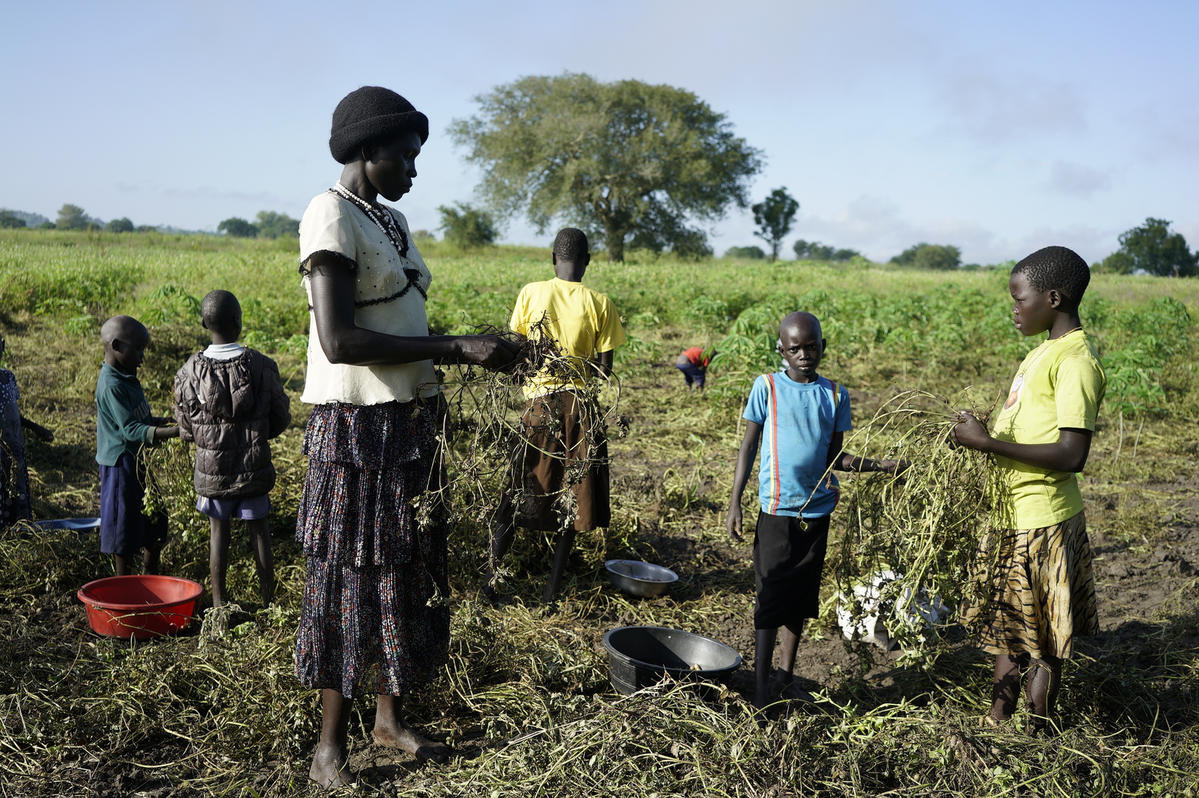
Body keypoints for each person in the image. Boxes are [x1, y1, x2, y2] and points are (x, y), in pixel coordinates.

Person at [295, 86, 520, 788]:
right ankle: (328, 749)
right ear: (368, 151)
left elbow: (402, 328)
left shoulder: (389, 221)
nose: (415, 171)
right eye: (407, 156)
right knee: (351, 581)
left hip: (407, 423)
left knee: (404, 574)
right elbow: (339, 341)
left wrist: (464, 366)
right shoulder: (328, 214)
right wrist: (457, 348)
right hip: (356, 433)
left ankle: (388, 721)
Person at [952, 246, 1105, 734]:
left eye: (1019, 299)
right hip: (1012, 513)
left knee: (1043, 637)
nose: (1013, 309)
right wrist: (978, 441)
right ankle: (999, 719)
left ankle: (1039, 730)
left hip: (1044, 521)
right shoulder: (1043, 351)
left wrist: (989, 442)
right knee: (1008, 627)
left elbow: (1070, 455)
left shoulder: (1076, 361)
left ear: (1053, 298)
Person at [726, 311, 900, 709]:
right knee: (770, 597)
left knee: (801, 598)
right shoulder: (767, 387)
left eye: (811, 347)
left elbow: (836, 457)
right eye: (794, 348)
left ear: (823, 347)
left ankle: (785, 677)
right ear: (781, 350)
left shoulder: (835, 394)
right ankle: (759, 687)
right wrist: (734, 501)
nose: (803, 355)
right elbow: (748, 447)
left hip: (817, 512)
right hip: (777, 510)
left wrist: (880, 466)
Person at [486, 227, 626, 603]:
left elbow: (516, 349)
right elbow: (604, 368)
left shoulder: (532, 292)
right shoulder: (600, 302)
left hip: (539, 407)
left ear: (553, 259)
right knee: (572, 495)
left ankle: (492, 581)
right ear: (588, 261)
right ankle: (551, 591)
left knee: (517, 487)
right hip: (580, 410)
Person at [173, 290, 290, 609]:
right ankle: (270, 604)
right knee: (260, 532)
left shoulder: (188, 372)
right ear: (239, 322)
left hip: (213, 473)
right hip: (254, 466)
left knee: (218, 534)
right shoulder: (263, 366)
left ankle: (219, 603)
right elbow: (280, 418)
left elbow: (186, 429)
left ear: (203, 323)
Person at [95, 316, 179, 576]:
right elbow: (130, 430)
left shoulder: (127, 377)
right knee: (125, 529)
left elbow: (138, 420)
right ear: (117, 346)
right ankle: (125, 586)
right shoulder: (112, 385)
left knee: (155, 521)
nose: (142, 357)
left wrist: (161, 422)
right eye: (138, 349)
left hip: (138, 459)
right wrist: (175, 432)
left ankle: (150, 576)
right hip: (121, 464)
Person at [0, 331, 54, 526]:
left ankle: (19, 529)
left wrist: (36, 428)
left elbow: (13, 414)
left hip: (14, 449)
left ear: (3, 346)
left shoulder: (8, 377)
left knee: (16, 489)